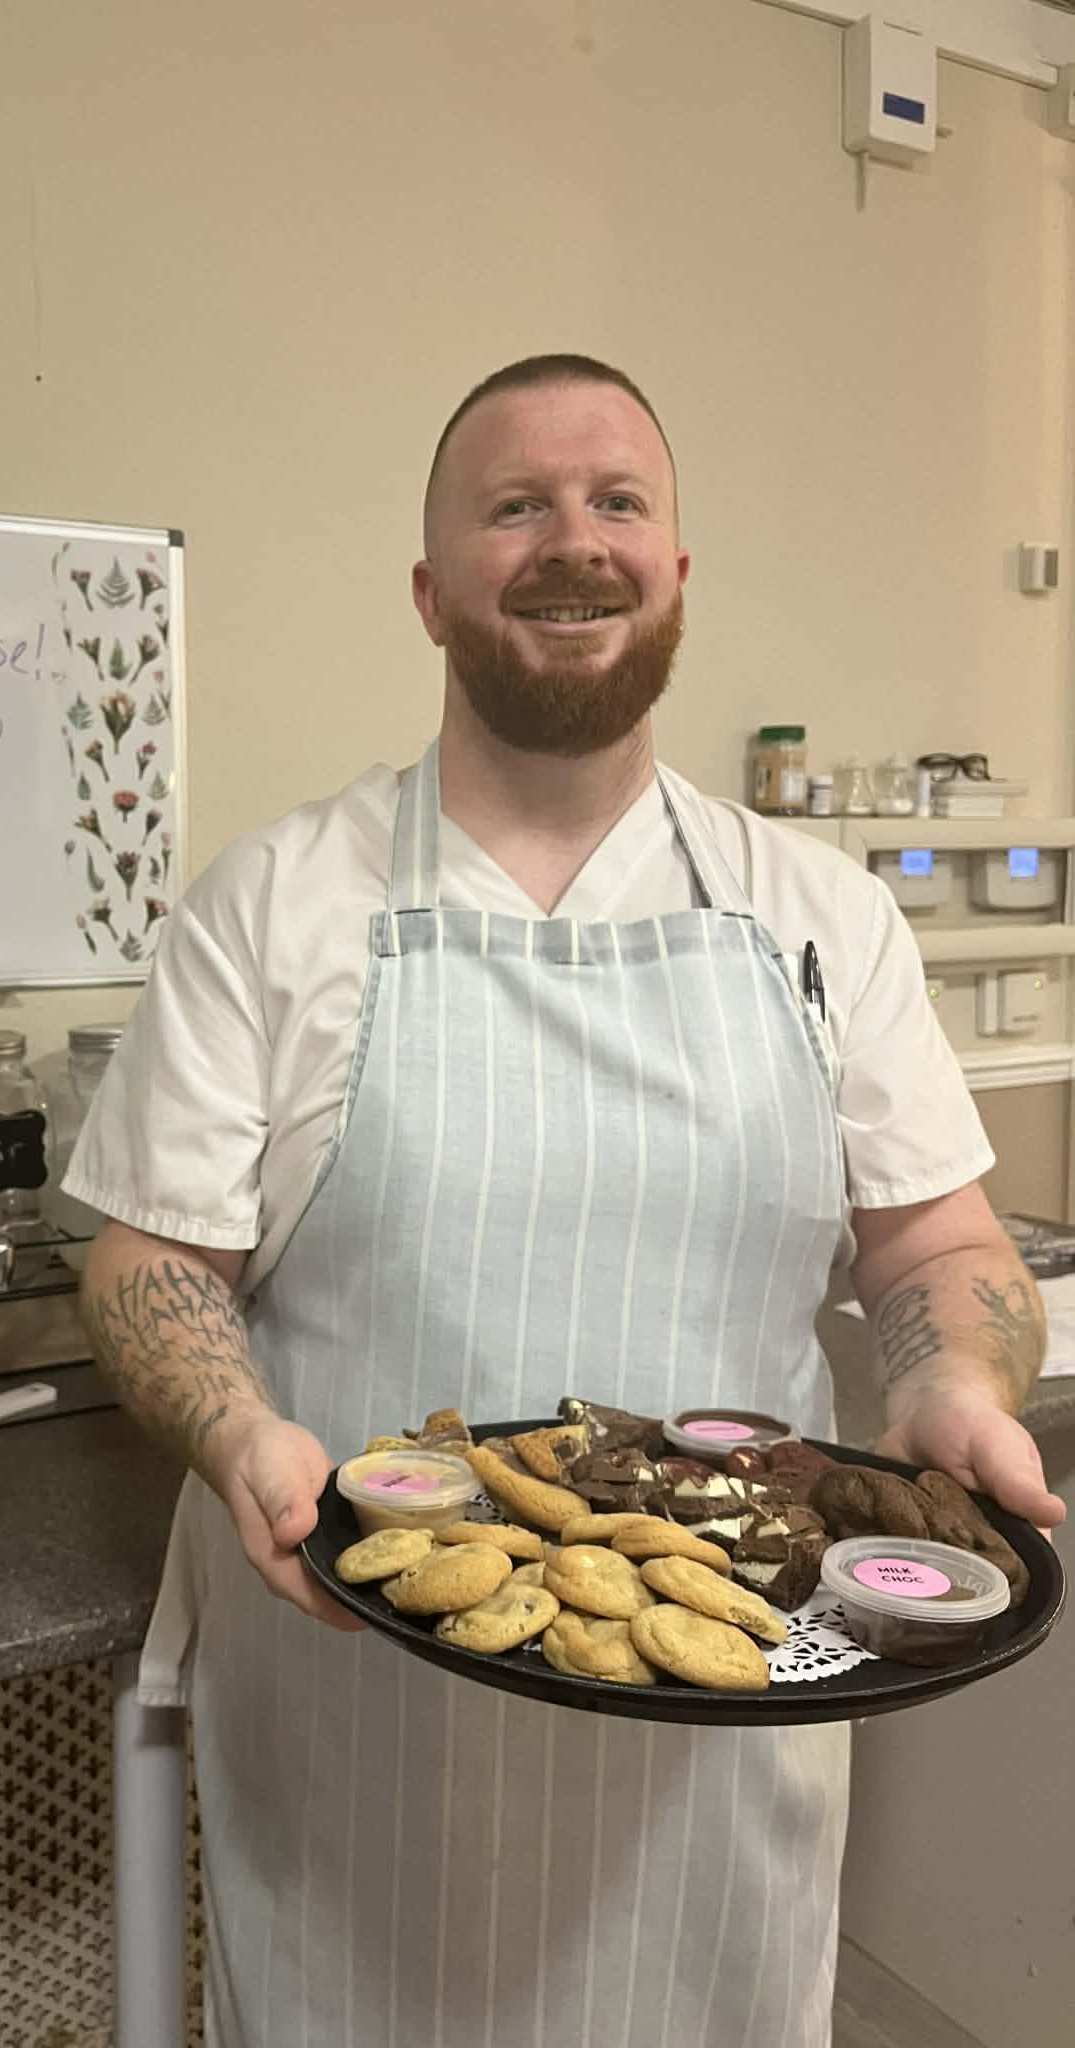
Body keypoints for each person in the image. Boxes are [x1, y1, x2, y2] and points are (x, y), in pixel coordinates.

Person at [65, 353, 1063, 2046]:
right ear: (432, 590)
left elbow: (940, 1241)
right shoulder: (275, 905)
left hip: (724, 1729)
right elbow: (152, 1259)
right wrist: (239, 1434)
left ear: (675, 571)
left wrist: (954, 1381)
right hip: (356, 1714)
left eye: (619, 502)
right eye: (514, 506)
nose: (572, 540)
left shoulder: (821, 917)